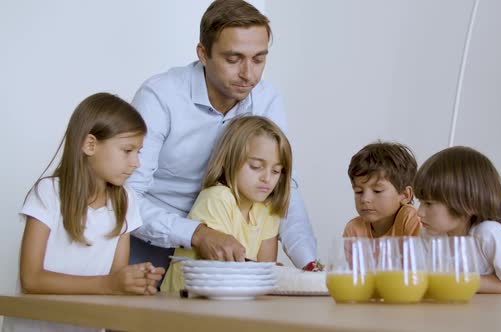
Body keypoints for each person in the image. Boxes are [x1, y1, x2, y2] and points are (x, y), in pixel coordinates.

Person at [127, 0, 316, 272]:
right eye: (233, 59)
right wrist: (197, 233)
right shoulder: (160, 97)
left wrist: (309, 262)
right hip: (149, 241)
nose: (248, 74)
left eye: (259, 59)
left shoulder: (266, 98)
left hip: (228, 246)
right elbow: (125, 198)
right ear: (203, 54)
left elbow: (286, 188)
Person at [3, 93, 165, 332]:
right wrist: (109, 284)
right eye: (127, 150)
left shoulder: (126, 200)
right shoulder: (48, 193)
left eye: (138, 152)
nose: (136, 163)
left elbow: (116, 278)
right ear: (90, 145)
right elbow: (31, 279)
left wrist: (135, 281)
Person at [160, 116, 291, 292]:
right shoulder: (217, 198)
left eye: (276, 171)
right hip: (184, 305)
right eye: (255, 166)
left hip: (232, 304)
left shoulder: (267, 209)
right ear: (230, 160)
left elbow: (265, 273)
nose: (267, 178)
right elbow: (224, 275)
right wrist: (267, 272)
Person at [414, 146, 501, 293]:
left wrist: (461, 281)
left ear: (467, 203)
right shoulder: (430, 237)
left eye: (428, 203)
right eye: (420, 202)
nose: (419, 212)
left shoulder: (489, 234)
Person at [343, 142, 421, 238]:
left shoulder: (411, 219)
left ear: (405, 195)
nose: (365, 199)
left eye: (377, 190)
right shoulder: (354, 229)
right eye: (358, 191)